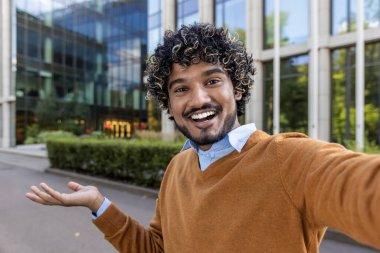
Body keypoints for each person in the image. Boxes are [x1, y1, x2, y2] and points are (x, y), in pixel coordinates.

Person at [26, 23, 380, 253]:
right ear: (169, 103)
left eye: (212, 81)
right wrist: (99, 205)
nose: (197, 100)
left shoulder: (291, 159)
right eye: (181, 88)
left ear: (237, 88)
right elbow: (158, 249)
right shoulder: (177, 169)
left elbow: (360, 186)